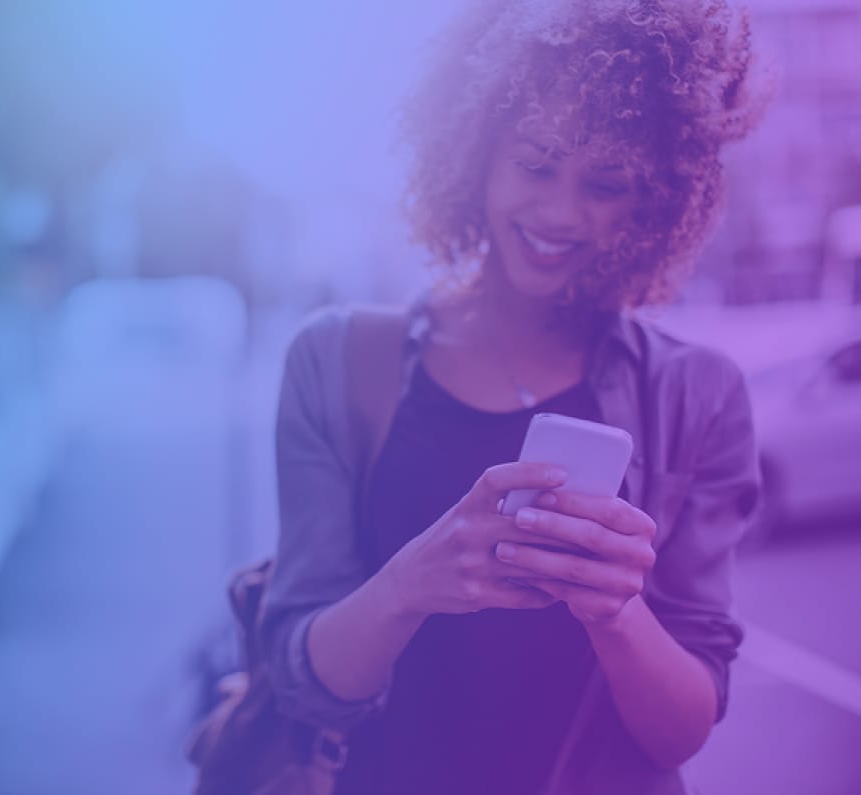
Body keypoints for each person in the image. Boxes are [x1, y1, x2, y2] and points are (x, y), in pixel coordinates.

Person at [257, 1, 769, 793]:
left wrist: (615, 611)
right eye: (536, 164)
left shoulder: (698, 395)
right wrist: (410, 583)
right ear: (476, 152)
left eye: (605, 183)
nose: (560, 213)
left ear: (655, 199)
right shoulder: (334, 361)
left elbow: (681, 731)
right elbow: (300, 677)